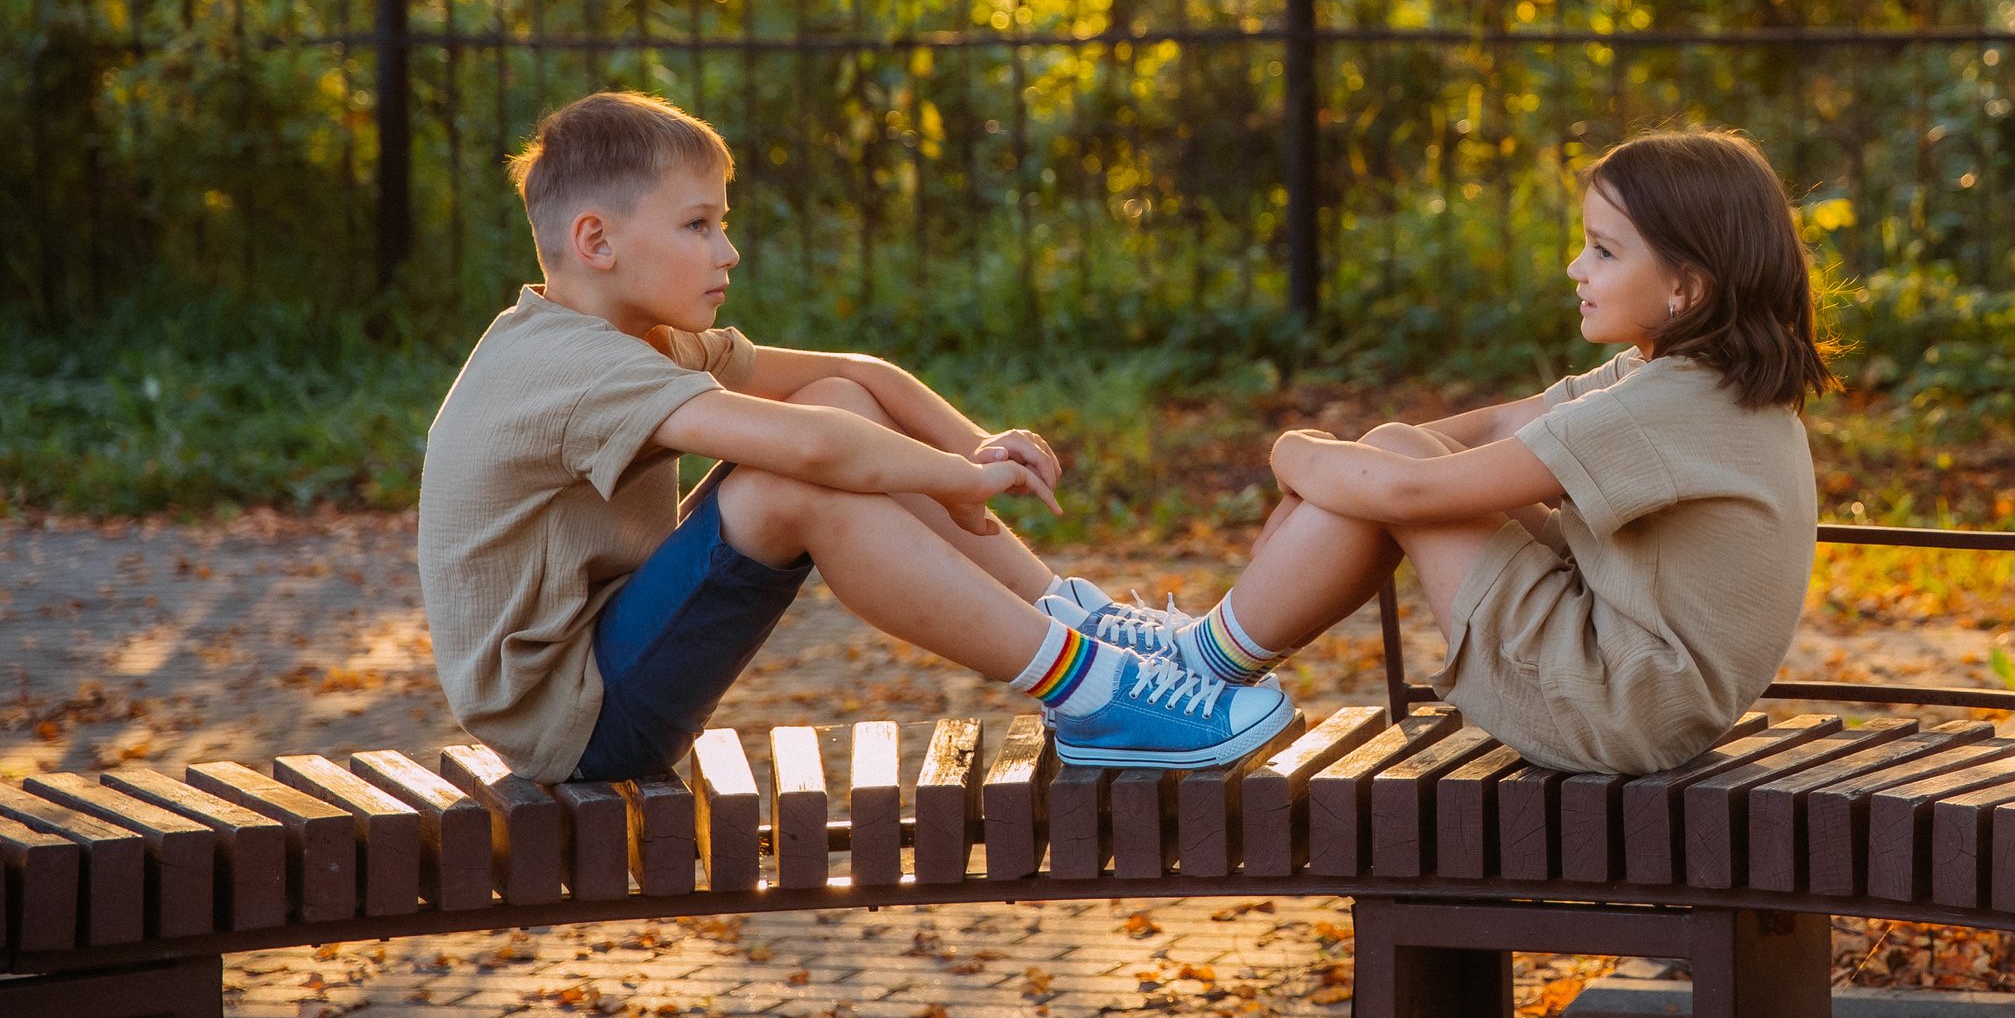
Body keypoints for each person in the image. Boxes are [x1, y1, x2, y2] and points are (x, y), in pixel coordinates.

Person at [419, 89, 1294, 785]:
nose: (727, 251)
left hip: (614, 652)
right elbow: (811, 452)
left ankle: (1082, 621)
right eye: (698, 224)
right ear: (596, 240)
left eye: (722, 222)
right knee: (788, 485)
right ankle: (1096, 694)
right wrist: (956, 479)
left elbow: (856, 374)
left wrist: (975, 444)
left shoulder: (638, 336)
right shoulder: (570, 366)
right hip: (577, 723)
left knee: (829, 399)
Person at [1064, 127, 1832, 777]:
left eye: (1603, 251)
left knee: (1394, 474)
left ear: (1686, 288)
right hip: (1640, 690)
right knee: (1393, 452)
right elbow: (1496, 428)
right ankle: (1202, 653)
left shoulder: (1663, 407)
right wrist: (1350, 466)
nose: (1576, 267)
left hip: (1609, 704)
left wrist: (1295, 452)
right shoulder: (1686, 381)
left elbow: (1413, 496)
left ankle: (1197, 662)